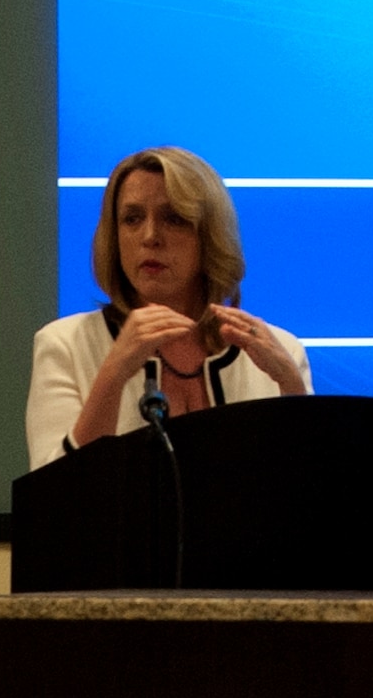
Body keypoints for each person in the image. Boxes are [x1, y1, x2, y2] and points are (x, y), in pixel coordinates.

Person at [25, 146, 311, 470]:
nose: (150, 236)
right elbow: (53, 502)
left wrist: (292, 388)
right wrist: (113, 374)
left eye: (173, 218)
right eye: (132, 219)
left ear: (209, 235)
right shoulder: (64, 345)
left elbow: (310, 498)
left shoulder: (282, 351)